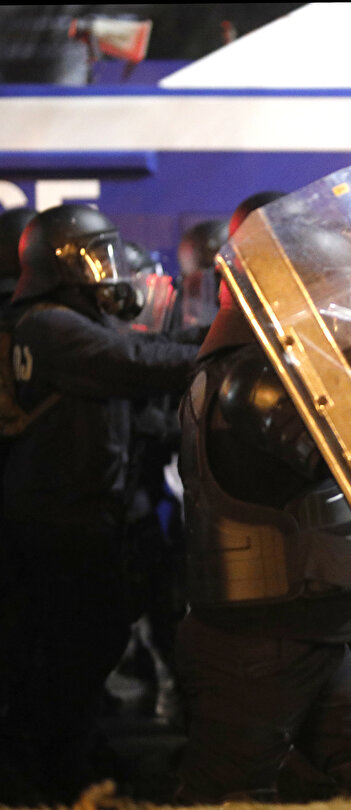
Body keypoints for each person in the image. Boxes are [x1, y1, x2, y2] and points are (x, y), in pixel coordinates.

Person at [173, 191, 351, 802]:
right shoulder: (253, 377)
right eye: (325, 287)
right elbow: (344, 454)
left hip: (305, 628)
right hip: (257, 644)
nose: (336, 304)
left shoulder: (267, 367)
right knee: (229, 795)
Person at [0, 204, 199, 803]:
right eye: (93, 257)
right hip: (61, 518)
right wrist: (227, 351)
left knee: (84, 648)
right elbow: (133, 363)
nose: (107, 270)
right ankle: (46, 769)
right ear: (57, 266)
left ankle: (66, 758)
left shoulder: (67, 320)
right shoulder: (46, 324)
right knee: (72, 652)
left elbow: (141, 351)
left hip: (80, 515)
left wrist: (219, 335)